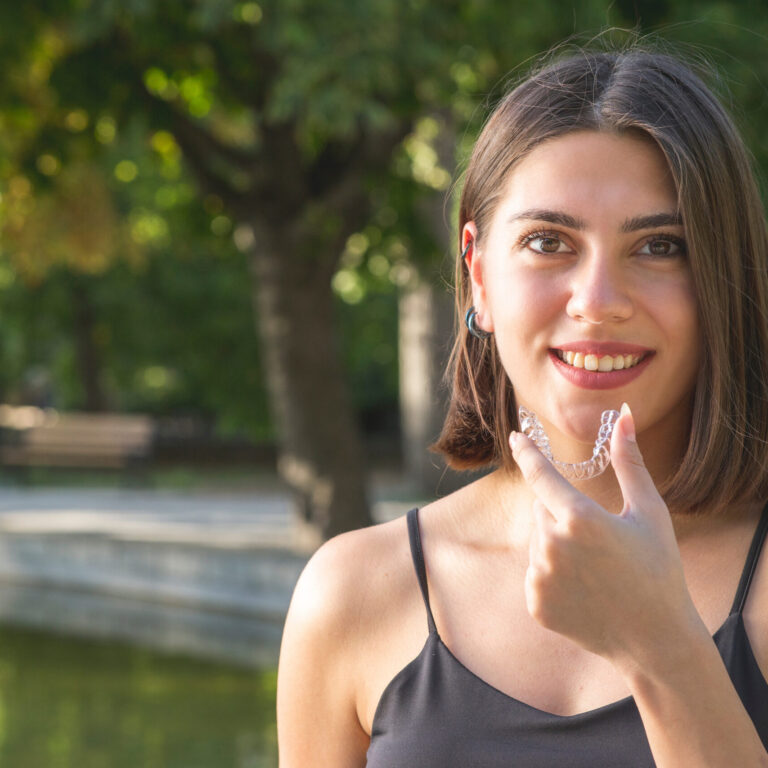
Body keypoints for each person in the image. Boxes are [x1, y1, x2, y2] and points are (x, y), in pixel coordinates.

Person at [276, 42, 768, 767]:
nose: (597, 302)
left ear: (724, 279)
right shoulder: (354, 593)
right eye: (548, 242)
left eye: (661, 247)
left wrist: (661, 644)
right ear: (479, 276)